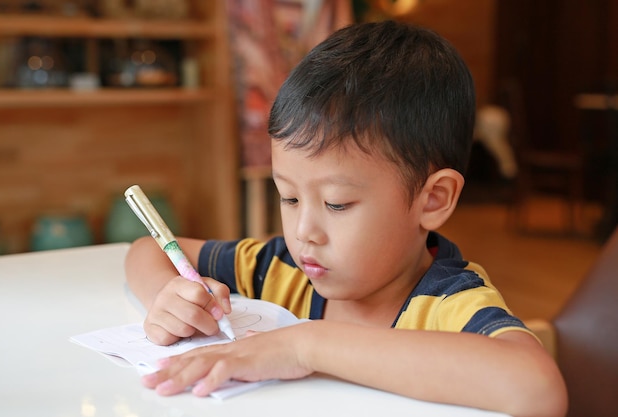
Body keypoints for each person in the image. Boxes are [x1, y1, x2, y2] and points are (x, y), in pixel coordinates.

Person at [125, 20, 567, 417]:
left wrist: (305, 346)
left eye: (336, 204)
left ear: (433, 199)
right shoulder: (282, 270)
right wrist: (170, 296)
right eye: (289, 197)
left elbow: (537, 388)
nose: (304, 234)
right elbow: (149, 249)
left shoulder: (449, 304)